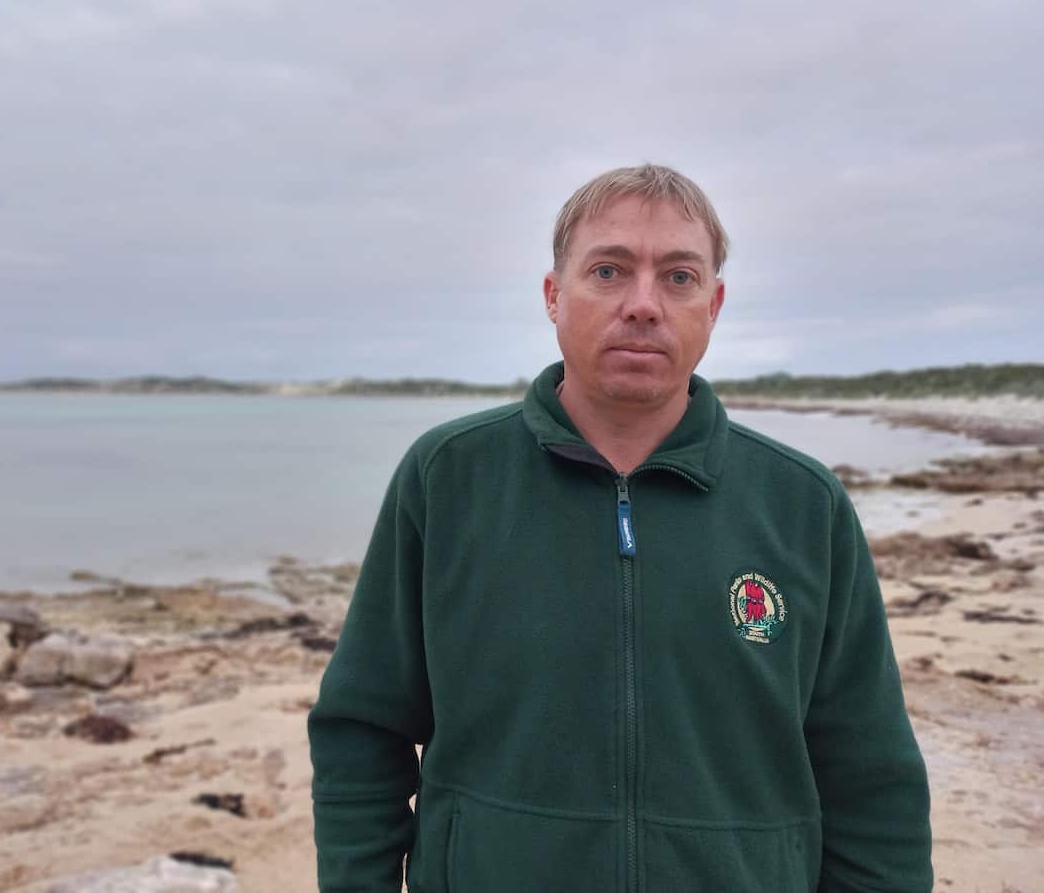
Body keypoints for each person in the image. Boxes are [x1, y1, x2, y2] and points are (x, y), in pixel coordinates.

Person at [308, 164, 932, 892]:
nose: (643, 305)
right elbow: (362, 730)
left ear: (713, 304)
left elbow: (871, 775)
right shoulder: (448, 477)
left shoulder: (803, 504)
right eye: (608, 271)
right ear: (553, 295)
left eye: (678, 277)